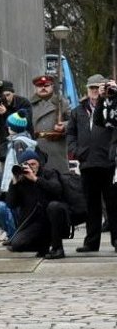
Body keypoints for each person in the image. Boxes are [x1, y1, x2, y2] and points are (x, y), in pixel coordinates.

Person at [66, 74, 117, 252]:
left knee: (113, 203)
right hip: (87, 163)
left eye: (98, 88)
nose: (95, 92)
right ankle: (91, 241)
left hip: (108, 162)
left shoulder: (111, 106)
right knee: (91, 204)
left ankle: (116, 240)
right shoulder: (78, 111)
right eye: (92, 89)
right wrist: (76, 151)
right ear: (87, 90)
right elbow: (70, 133)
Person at [6, 150, 63, 256]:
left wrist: (35, 179)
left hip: (51, 218)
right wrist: (14, 183)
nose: (31, 167)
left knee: (54, 207)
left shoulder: (49, 173)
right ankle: (43, 246)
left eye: (33, 164)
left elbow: (57, 189)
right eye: (27, 165)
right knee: (16, 245)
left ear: (38, 163)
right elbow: (11, 204)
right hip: (33, 223)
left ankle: (57, 247)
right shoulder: (20, 180)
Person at [0, 79, 32, 164]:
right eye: (3, 96)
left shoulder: (23, 103)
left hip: (24, 147)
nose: (6, 98)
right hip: (5, 149)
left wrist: (5, 113)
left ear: (13, 93)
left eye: (8, 95)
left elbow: (26, 124)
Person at [29, 74, 70, 175]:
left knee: (58, 182)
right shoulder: (28, 105)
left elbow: (73, 122)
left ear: (52, 86)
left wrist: (63, 126)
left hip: (55, 148)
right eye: (40, 86)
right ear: (35, 88)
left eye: (46, 85)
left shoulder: (62, 103)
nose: (43, 88)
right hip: (35, 147)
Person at [1, 112, 38, 189]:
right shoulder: (20, 140)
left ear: (14, 128)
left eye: (9, 126)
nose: (8, 128)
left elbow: (20, 162)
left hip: (15, 181)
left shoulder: (18, 143)